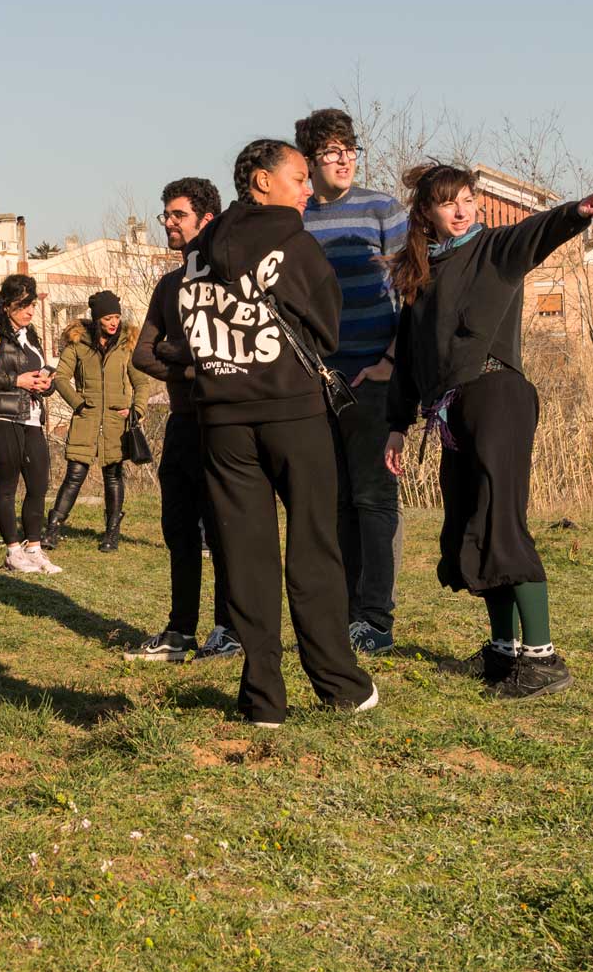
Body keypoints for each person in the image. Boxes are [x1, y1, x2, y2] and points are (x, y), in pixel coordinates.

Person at [384, 166, 593, 700]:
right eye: (448, 203)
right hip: (451, 411)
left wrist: (574, 214)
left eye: (467, 200)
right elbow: (409, 363)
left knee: (502, 522)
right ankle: (503, 650)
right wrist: (396, 427)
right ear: (426, 213)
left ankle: (543, 659)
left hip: (497, 398)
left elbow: (535, 235)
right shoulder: (418, 276)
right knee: (471, 524)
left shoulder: (494, 251)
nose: (462, 211)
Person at [178, 141, 375, 727]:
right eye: (298, 178)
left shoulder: (195, 254)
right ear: (262, 181)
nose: (308, 187)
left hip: (220, 420)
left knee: (245, 556)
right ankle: (338, 683)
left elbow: (179, 331)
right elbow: (328, 328)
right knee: (314, 546)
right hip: (292, 413)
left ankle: (263, 697)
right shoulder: (296, 243)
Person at [296, 108, 409, 657]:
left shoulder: (382, 208)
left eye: (350, 149)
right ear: (310, 162)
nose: (344, 160)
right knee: (333, 500)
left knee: (373, 498)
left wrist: (391, 360)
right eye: (332, 152)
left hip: (371, 377)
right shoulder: (296, 218)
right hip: (315, 380)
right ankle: (343, 614)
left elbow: (418, 290)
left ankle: (375, 618)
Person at [131, 177, 239, 662]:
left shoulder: (228, 280)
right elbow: (142, 355)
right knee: (178, 529)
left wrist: (182, 354)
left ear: (206, 220)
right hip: (180, 422)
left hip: (223, 423)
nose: (169, 224)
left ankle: (230, 629)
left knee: (223, 532)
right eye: (166, 216)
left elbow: (234, 352)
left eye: (178, 215)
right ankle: (180, 630)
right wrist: (191, 360)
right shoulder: (169, 284)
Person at [49, 290, 156, 553]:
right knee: (75, 474)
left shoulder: (126, 345)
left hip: (115, 423)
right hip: (86, 419)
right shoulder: (78, 344)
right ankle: (52, 528)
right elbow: (61, 378)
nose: (114, 322)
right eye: (108, 317)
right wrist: (79, 403)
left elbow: (141, 382)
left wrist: (137, 409)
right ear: (97, 319)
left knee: (113, 476)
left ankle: (112, 533)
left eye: (117, 317)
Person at [0, 274, 60, 575]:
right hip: (1, 415)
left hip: (32, 416)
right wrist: (14, 380)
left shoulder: (31, 335)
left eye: (32, 304)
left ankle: (34, 547)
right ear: (6, 305)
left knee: (38, 483)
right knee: (8, 485)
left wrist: (47, 384)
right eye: (23, 305)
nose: (29, 311)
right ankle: (12, 551)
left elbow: (41, 375)